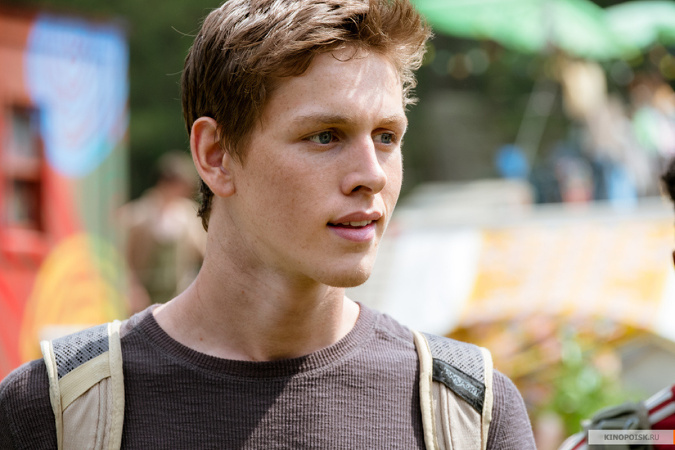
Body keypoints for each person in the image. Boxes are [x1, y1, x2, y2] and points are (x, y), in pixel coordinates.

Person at [0, 0, 536, 448]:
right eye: (325, 136)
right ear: (215, 155)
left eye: (386, 137)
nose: (372, 175)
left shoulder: (467, 414)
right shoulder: (55, 410)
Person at [118, 150, 206, 313]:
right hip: (144, 296)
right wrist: (133, 288)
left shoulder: (188, 215)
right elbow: (123, 257)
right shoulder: (138, 215)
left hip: (177, 295)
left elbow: (203, 252)